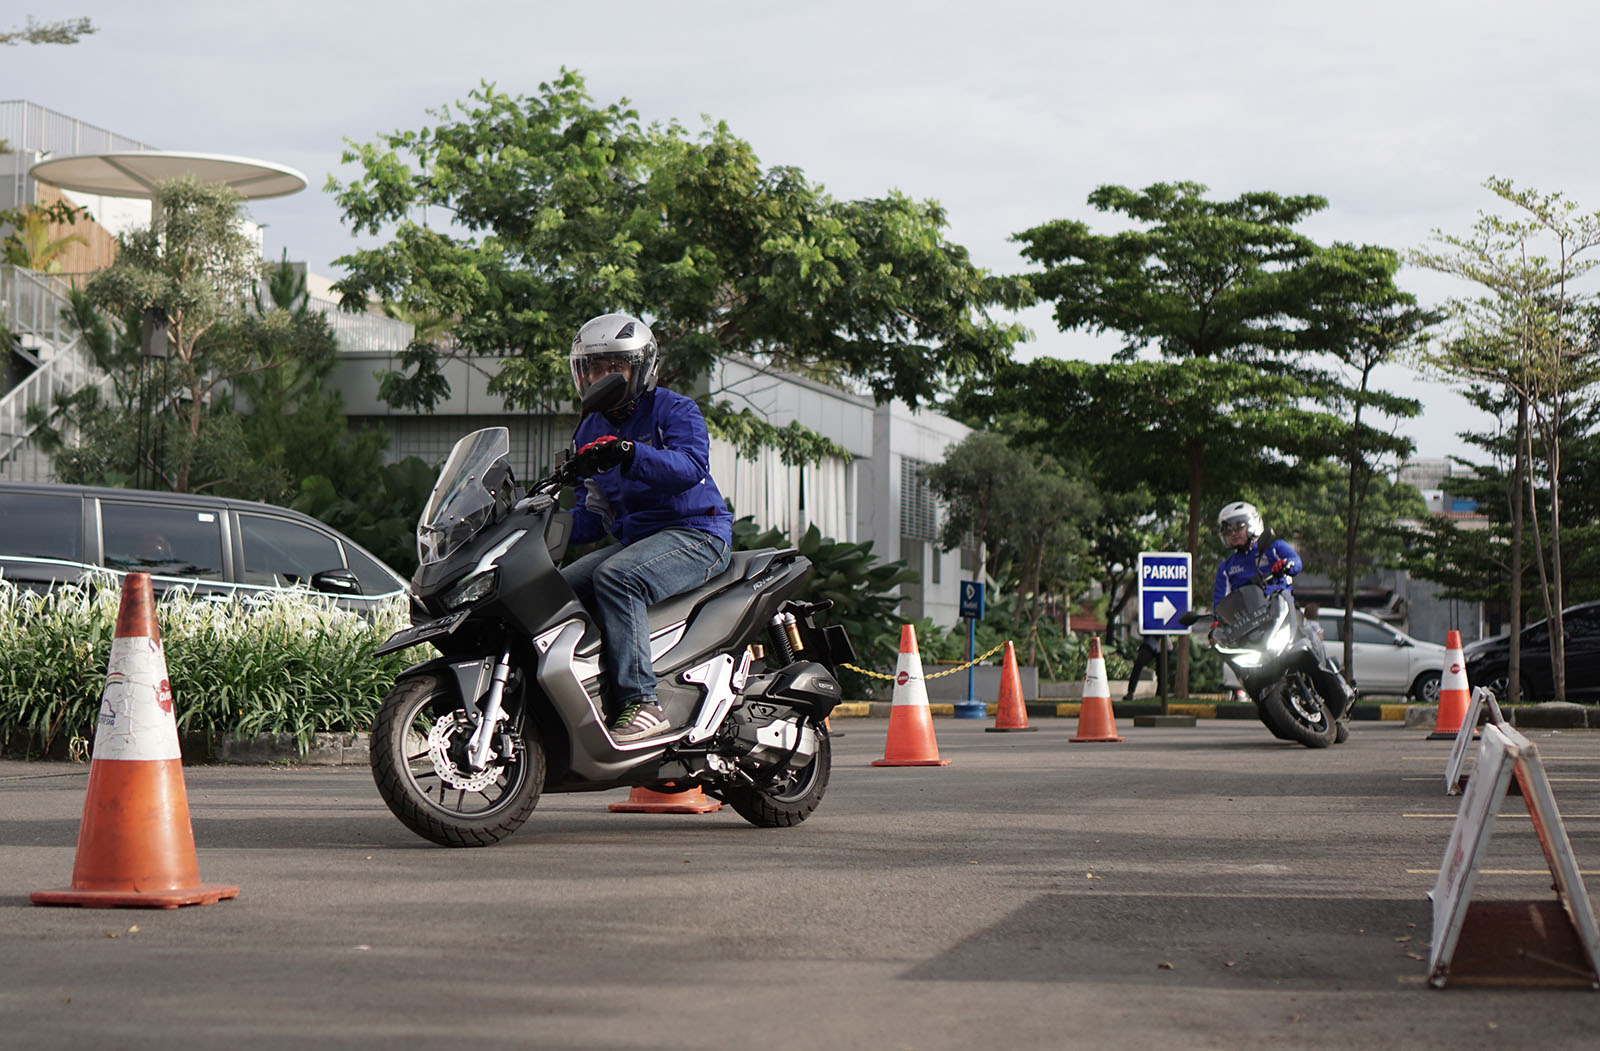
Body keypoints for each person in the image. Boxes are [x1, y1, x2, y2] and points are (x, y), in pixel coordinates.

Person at [560, 312, 734, 743]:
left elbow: (690, 469)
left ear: (640, 368)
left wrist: (629, 452)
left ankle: (642, 703)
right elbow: (595, 516)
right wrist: (537, 524)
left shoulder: (675, 409)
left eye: (613, 367)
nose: (602, 377)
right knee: (555, 588)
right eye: (594, 368)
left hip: (697, 534)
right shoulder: (589, 429)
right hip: (639, 541)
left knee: (617, 578)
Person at [1211, 500, 1354, 717]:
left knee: (1308, 633)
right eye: (1227, 529)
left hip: (1281, 608)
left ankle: (1333, 675)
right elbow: (1219, 601)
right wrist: (1215, 623)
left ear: (1251, 524)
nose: (1232, 533)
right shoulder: (1226, 567)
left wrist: (1285, 566)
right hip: (1251, 623)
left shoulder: (1271, 546)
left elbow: (1295, 562)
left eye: (1237, 526)